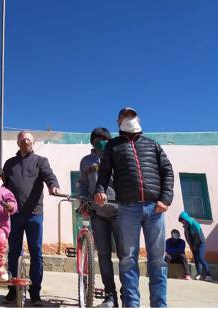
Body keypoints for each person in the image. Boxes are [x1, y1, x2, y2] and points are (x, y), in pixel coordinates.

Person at [95, 107, 174, 308]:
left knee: (157, 260)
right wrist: (100, 189)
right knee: (128, 259)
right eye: (124, 115)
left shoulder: (152, 144)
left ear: (137, 118)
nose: (128, 118)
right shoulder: (113, 146)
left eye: (131, 115)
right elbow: (104, 173)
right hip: (128, 209)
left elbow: (167, 171)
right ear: (118, 121)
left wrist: (165, 199)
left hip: (154, 209)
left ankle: (159, 304)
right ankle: (132, 304)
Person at [3, 131, 60, 307]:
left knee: (36, 252)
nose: (25, 141)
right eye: (22, 138)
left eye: (28, 138)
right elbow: (3, 185)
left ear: (33, 142)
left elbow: (48, 175)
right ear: (18, 142)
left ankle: (35, 294)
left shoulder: (40, 161)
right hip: (14, 215)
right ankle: (13, 290)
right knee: (13, 252)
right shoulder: (9, 163)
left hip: (34, 214)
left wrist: (53, 185)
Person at [76, 127, 121, 307]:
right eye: (96, 139)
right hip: (97, 212)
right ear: (92, 141)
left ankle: (128, 294)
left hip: (120, 210)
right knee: (103, 255)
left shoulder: (118, 156)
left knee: (125, 254)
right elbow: (82, 183)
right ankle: (111, 296)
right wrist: (83, 201)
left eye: (103, 138)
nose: (99, 141)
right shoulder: (86, 161)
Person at [178, 212, 212, 281]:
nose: (182, 222)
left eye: (182, 220)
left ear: (186, 219)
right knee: (196, 260)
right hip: (193, 245)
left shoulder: (194, 224)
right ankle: (199, 274)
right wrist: (191, 246)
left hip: (200, 243)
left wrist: (194, 245)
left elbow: (197, 237)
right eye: (181, 221)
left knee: (200, 258)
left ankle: (208, 274)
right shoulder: (186, 227)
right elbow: (188, 237)